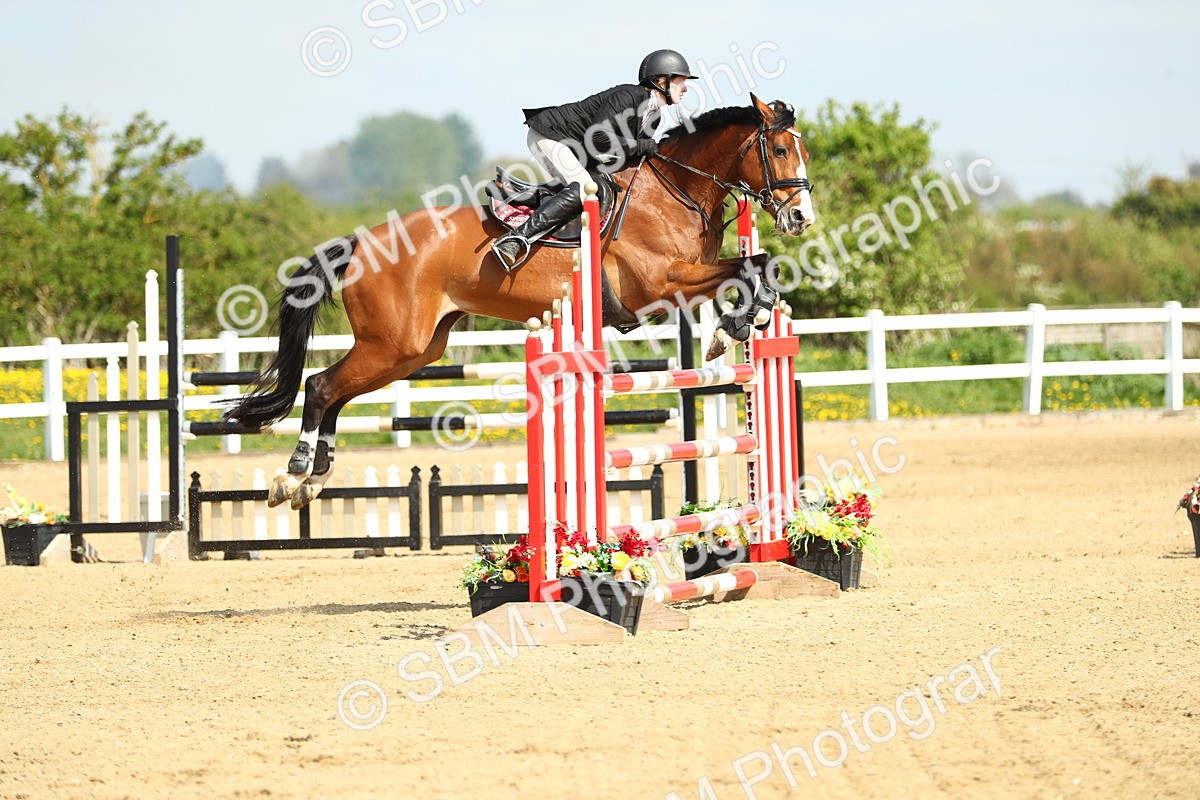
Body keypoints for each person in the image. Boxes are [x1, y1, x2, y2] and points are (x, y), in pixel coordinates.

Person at [491, 49, 698, 271]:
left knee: (603, 189)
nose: (685, 88)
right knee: (584, 188)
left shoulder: (654, 117)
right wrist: (640, 146)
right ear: (661, 81)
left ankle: (518, 193)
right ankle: (514, 240)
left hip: (576, 148)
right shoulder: (628, 96)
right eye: (681, 81)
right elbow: (599, 138)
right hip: (550, 135)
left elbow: (627, 156)